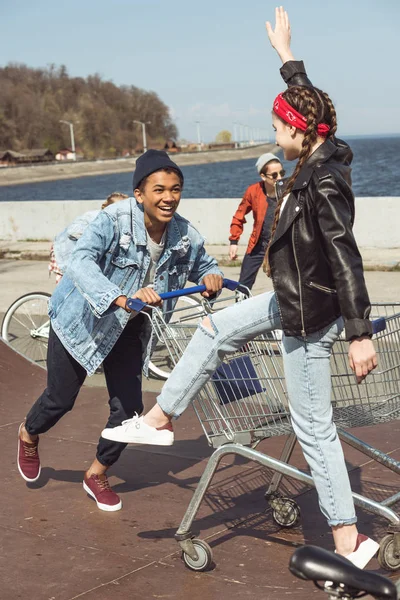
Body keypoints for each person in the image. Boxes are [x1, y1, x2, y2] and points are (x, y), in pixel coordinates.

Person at [102, 8, 380, 567]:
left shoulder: (324, 180)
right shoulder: (321, 152)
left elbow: (345, 255)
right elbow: (313, 106)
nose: (274, 138)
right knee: (211, 328)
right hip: (290, 301)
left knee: (314, 425)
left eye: (280, 129)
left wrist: (358, 333)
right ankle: (161, 418)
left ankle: (348, 539)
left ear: (302, 134)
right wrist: (287, 59)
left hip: (310, 317)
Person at [17, 149, 224, 512]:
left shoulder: (184, 233)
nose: (168, 198)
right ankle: (29, 432)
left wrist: (211, 275)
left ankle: (96, 473)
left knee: (130, 412)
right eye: (159, 189)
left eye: (176, 189)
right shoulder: (112, 220)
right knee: (60, 399)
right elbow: (80, 262)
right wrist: (119, 297)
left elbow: (205, 263)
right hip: (82, 319)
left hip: (132, 328)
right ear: (139, 193)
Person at [229, 153, 285, 290]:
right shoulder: (253, 191)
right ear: (263, 176)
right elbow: (239, 215)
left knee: (284, 286)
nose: (280, 178)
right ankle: (240, 308)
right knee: (243, 286)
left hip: (281, 245)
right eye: (274, 175)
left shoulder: (288, 189)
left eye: (282, 173)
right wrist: (234, 242)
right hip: (258, 244)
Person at [48, 192, 129, 283]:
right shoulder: (94, 217)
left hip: (82, 255)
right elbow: (73, 231)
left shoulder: (118, 223)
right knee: (70, 286)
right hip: (64, 253)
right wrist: (97, 236)